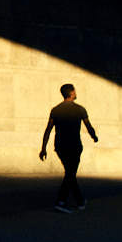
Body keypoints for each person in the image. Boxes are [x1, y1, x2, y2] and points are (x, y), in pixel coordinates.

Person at [40, 83, 97, 213]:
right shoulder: (80, 109)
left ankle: (80, 200)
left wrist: (43, 148)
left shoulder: (55, 110)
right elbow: (88, 126)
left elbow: (48, 130)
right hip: (75, 146)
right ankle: (61, 202)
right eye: (75, 91)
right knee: (70, 174)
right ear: (71, 93)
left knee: (70, 173)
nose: (76, 93)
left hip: (60, 146)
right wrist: (94, 137)